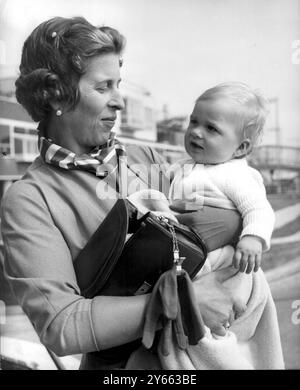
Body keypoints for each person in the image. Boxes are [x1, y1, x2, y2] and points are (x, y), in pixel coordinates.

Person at [0, 17, 244, 370]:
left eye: (119, 85)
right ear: (55, 94)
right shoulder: (30, 199)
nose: (119, 102)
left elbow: (226, 214)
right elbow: (62, 325)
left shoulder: (146, 160)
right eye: (103, 87)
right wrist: (180, 302)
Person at [168, 82, 275, 274]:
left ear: (241, 147)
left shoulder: (234, 175)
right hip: (184, 241)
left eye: (211, 128)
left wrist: (253, 238)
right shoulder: (183, 166)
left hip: (216, 256)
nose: (195, 131)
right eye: (193, 121)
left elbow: (259, 209)